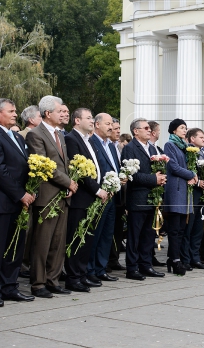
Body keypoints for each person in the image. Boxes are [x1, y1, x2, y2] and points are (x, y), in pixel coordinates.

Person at [0, 98, 35, 307]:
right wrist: (20, 194)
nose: (15, 114)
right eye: (11, 111)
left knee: (16, 246)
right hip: (0, 202)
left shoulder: (18, 138)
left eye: (15, 111)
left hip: (19, 201)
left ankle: (9, 286)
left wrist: (31, 189)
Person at [26, 95, 78, 298]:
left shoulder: (60, 135)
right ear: (48, 113)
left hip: (63, 195)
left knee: (58, 242)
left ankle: (53, 280)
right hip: (47, 196)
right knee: (43, 242)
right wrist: (69, 182)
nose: (63, 114)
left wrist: (71, 182)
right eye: (60, 111)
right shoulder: (35, 135)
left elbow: (63, 164)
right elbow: (45, 165)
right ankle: (38, 283)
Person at [64, 108, 107, 292]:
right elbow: (79, 170)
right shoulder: (71, 139)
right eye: (88, 118)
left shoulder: (89, 141)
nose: (91, 121)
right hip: (81, 197)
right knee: (76, 238)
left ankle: (82, 274)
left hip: (92, 198)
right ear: (76, 120)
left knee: (87, 238)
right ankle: (73, 277)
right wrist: (97, 190)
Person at [121, 118, 167, 280]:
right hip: (138, 197)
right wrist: (153, 179)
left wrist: (161, 178)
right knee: (135, 236)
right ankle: (132, 268)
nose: (150, 130)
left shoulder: (153, 149)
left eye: (149, 128)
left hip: (152, 198)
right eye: (146, 128)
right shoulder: (130, 148)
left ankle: (146, 265)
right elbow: (131, 174)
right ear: (136, 131)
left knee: (149, 235)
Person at [87, 113, 121, 282]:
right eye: (107, 123)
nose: (111, 126)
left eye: (112, 124)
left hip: (112, 195)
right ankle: (90, 269)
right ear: (97, 124)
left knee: (107, 234)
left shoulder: (112, 145)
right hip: (99, 195)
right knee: (95, 233)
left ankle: (101, 268)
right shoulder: (92, 142)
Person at [162, 119, 197, 276]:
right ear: (174, 130)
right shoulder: (170, 145)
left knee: (182, 228)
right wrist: (191, 174)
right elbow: (173, 167)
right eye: (182, 128)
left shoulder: (186, 147)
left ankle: (175, 258)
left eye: (185, 128)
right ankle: (175, 260)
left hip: (185, 191)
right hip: (175, 191)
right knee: (175, 228)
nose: (185, 130)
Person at [181, 128, 204, 270]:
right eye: (201, 137)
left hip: (203, 194)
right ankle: (186, 258)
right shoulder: (187, 151)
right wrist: (199, 181)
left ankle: (196, 257)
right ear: (192, 139)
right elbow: (188, 171)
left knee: (199, 227)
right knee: (189, 227)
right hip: (192, 193)